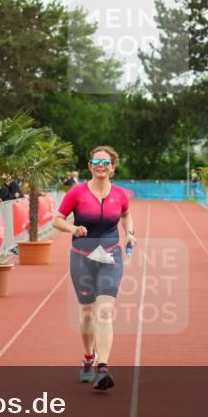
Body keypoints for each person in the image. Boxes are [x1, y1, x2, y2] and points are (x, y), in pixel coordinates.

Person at [52, 145, 136, 392]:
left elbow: (126, 215)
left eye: (106, 162)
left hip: (110, 258)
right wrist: (72, 229)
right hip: (82, 257)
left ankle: (103, 367)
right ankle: (88, 356)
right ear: (90, 166)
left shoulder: (120, 194)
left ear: (113, 167)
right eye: (96, 161)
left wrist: (129, 234)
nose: (101, 165)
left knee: (105, 310)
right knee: (87, 312)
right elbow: (57, 219)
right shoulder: (76, 193)